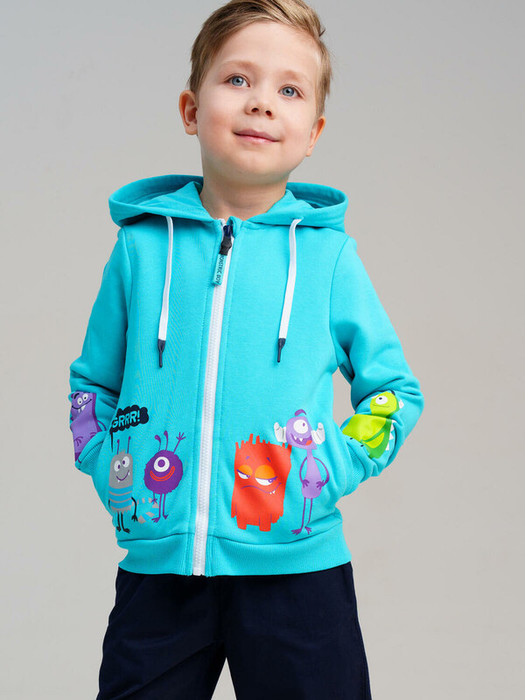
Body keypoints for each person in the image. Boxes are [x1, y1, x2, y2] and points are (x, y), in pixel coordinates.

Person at [68, 1, 424, 698]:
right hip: (160, 571)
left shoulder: (327, 258)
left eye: (289, 89)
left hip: (299, 574)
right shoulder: (140, 249)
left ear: (313, 132)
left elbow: (394, 392)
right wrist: (113, 467)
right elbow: (92, 384)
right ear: (190, 109)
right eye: (237, 79)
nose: (261, 102)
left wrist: (325, 470)